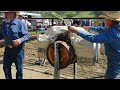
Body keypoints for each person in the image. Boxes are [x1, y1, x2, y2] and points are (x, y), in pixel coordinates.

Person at [67, 11, 120, 79]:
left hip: (115, 60)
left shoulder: (113, 33)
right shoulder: (114, 28)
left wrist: (77, 31)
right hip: (115, 59)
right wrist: (89, 27)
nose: (104, 20)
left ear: (110, 20)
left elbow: (94, 38)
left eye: (105, 19)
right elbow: (102, 29)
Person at [0, 11, 30, 79]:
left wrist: (20, 40)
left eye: (7, 13)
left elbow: (27, 35)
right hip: (7, 50)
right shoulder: (4, 24)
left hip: (18, 51)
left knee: (19, 70)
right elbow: (1, 35)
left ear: (13, 13)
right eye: (5, 13)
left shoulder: (20, 23)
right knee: (6, 68)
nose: (5, 15)